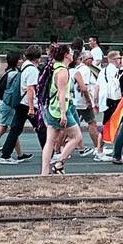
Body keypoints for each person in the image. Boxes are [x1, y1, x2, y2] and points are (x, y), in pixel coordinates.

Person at [0, 45, 41, 165]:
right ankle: (50, 153)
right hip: (28, 103)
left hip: (21, 102)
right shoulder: (32, 70)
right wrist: (32, 107)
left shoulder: (25, 66)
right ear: (37, 57)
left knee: (15, 130)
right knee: (41, 129)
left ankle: (5, 155)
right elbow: (30, 89)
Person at [43, 45, 76, 175]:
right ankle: (59, 162)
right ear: (66, 55)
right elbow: (62, 93)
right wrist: (63, 114)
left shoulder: (54, 67)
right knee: (76, 137)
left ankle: (44, 172)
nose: (73, 54)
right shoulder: (63, 71)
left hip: (51, 108)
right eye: (71, 52)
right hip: (59, 109)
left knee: (50, 141)